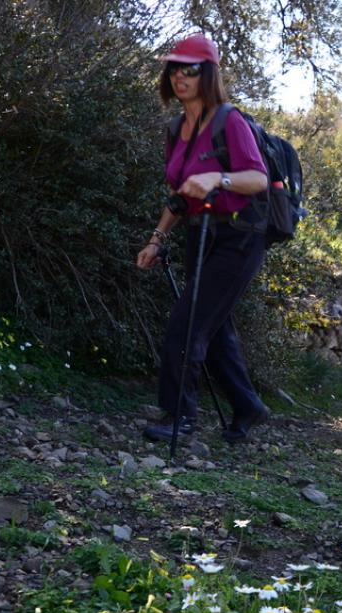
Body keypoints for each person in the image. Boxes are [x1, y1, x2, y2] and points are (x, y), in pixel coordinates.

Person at [135, 34, 270, 444]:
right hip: (201, 234)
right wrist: (156, 239)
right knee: (215, 328)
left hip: (239, 237)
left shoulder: (230, 121)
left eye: (190, 69)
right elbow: (180, 193)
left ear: (207, 74)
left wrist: (220, 177)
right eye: (174, 68)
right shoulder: (176, 128)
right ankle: (248, 406)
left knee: (188, 323)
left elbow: (258, 178)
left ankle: (181, 418)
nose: (180, 76)